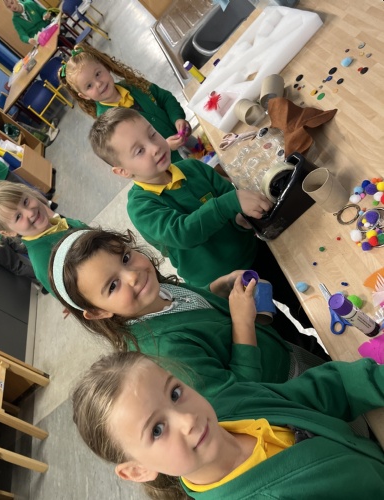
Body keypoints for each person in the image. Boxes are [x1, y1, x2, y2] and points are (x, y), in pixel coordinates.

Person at [89, 107, 327, 356]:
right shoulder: (141, 206)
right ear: (123, 171)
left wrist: (240, 218)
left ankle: (341, 337)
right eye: (139, 151)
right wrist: (229, 204)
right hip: (226, 284)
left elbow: (228, 197)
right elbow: (182, 232)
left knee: (305, 303)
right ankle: (323, 363)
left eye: (152, 134)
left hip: (257, 253)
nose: (154, 147)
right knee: (286, 339)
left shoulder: (193, 168)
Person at [49, 228, 326, 401]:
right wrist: (243, 322)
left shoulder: (158, 290)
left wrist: (216, 289)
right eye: (112, 285)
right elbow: (238, 396)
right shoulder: (165, 352)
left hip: (286, 355)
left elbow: (191, 309)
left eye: (125, 258)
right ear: (98, 311)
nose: (132, 276)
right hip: (286, 392)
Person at [72, 351, 384, 499]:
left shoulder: (233, 403)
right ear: (138, 471)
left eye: (175, 393)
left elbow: (320, 391)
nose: (188, 419)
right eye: (157, 429)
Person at [58, 44, 191, 163]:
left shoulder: (133, 84)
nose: (98, 83)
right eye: (89, 86)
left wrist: (177, 118)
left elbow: (164, 98)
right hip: (169, 166)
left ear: (105, 67)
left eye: (98, 74)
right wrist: (165, 147)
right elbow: (134, 157)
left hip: (187, 142)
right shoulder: (109, 124)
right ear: (84, 96)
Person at [0, 181, 88, 293]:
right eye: (18, 217)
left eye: (25, 201)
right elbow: (69, 295)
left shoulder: (59, 222)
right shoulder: (44, 259)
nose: (30, 213)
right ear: (8, 232)